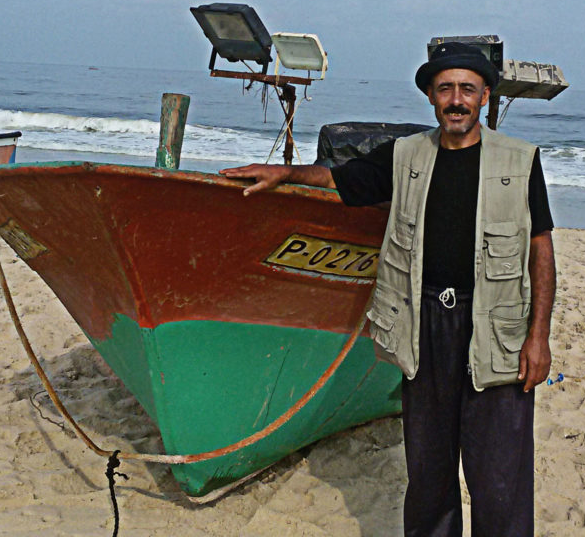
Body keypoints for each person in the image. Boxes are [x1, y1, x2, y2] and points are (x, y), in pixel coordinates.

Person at [220, 42, 555, 536]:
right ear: (431, 98)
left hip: (496, 327)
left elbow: (541, 248)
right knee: (428, 470)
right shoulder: (405, 156)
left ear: (484, 97)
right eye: (445, 89)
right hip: (423, 325)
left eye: (467, 89)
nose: (456, 100)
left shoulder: (520, 161)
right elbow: (340, 179)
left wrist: (538, 336)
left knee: (499, 476)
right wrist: (286, 172)